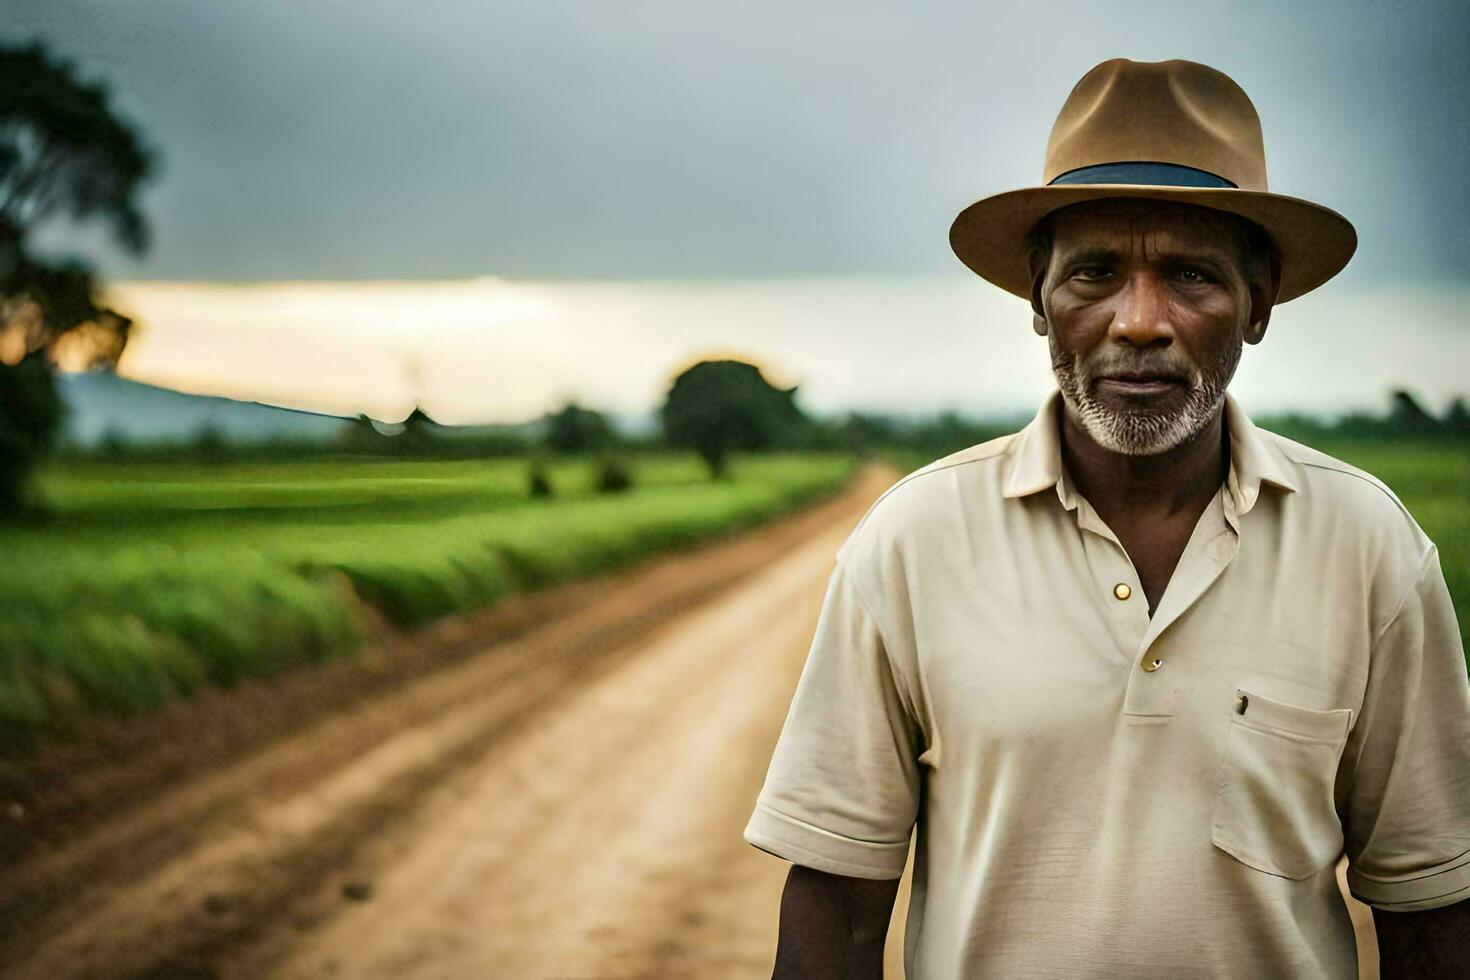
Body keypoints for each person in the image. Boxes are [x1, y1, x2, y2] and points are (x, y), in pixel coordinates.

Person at [743, 58, 1470, 978]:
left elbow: (1433, 914)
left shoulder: (1370, 549)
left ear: (1259, 303)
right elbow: (837, 914)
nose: (1139, 322)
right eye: (1094, 274)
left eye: (1191, 276)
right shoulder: (912, 542)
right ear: (1039, 304)